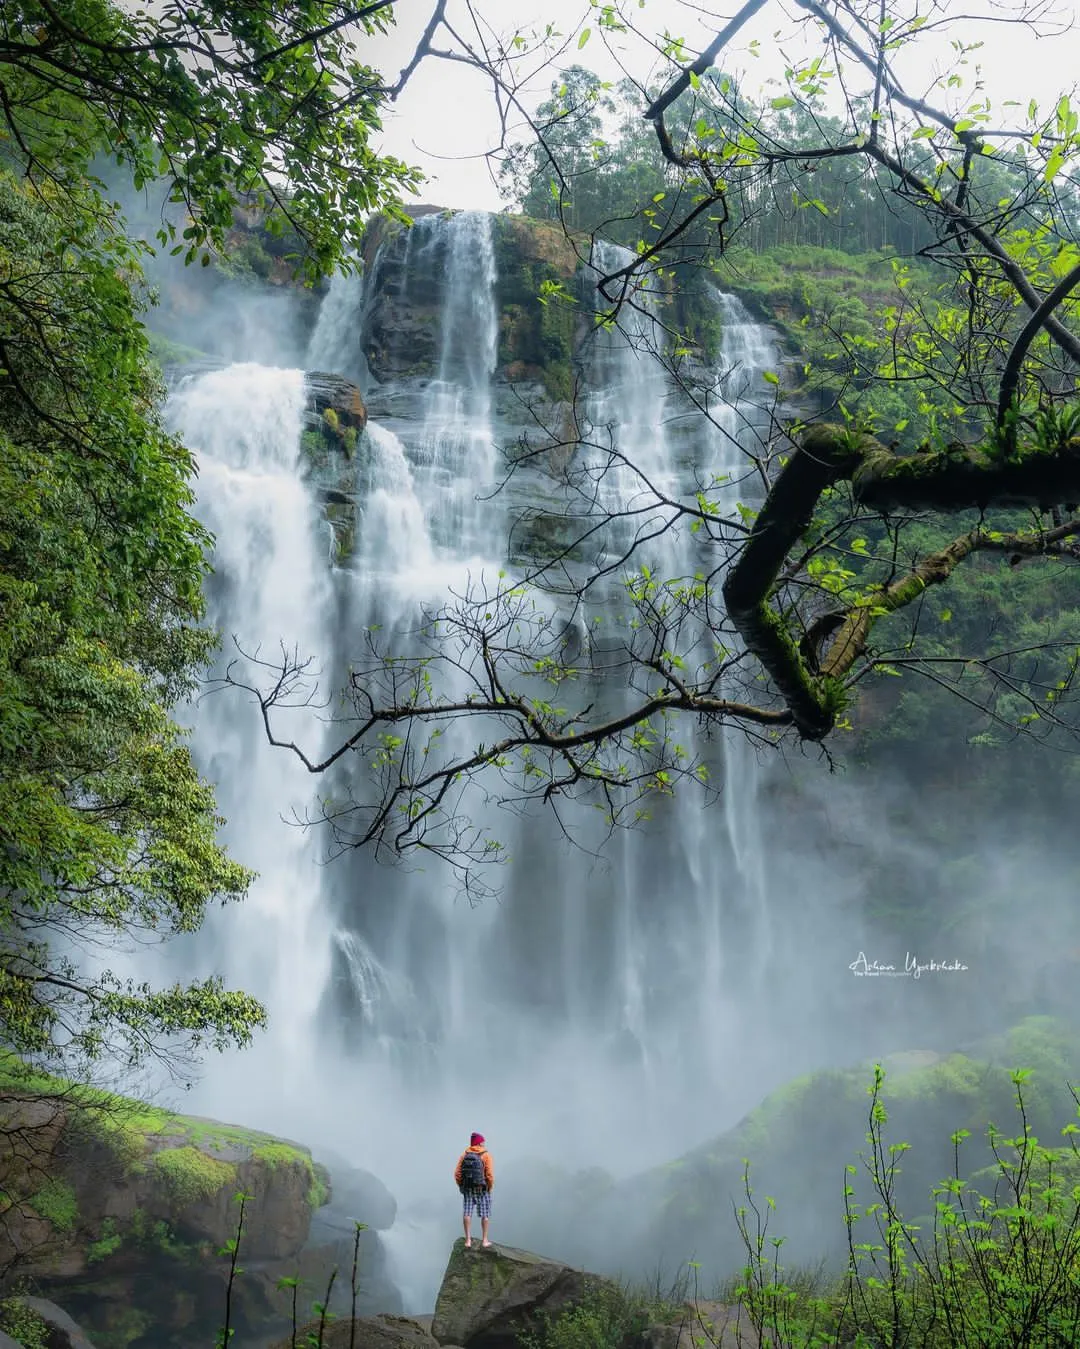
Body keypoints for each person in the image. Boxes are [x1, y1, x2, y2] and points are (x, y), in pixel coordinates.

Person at [454, 1131, 494, 1248]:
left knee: (467, 1213)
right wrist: (489, 1187)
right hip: (482, 1189)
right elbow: (489, 1175)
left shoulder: (464, 1155)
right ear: (479, 1142)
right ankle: (485, 1240)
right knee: (485, 1215)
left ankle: (467, 1240)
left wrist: (462, 1185)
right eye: (483, 1142)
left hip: (468, 1189)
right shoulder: (486, 1155)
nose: (484, 1144)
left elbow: (457, 1173)